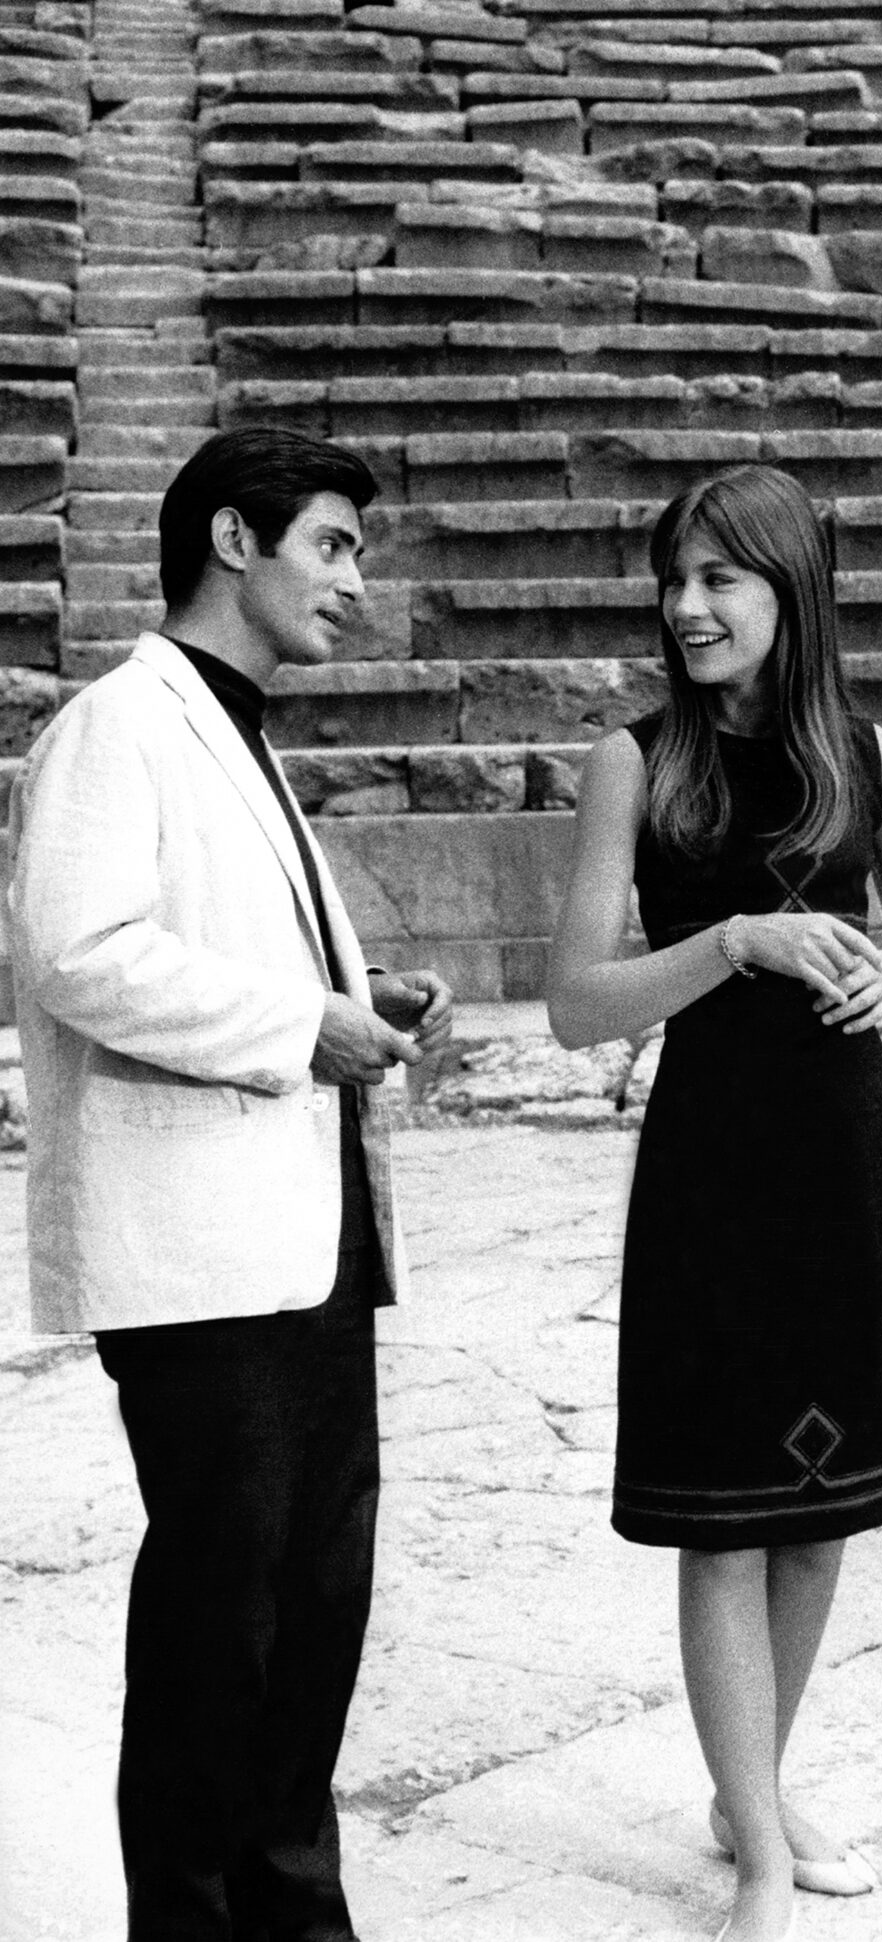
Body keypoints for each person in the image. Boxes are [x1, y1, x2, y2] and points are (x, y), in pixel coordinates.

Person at [6, 426, 453, 1940]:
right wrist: (296, 1023)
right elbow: (76, 950)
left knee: (315, 1618)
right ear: (235, 543)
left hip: (305, 1251)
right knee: (222, 1624)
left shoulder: (236, 727)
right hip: (203, 1268)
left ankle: (297, 1918)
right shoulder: (116, 724)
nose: (355, 583)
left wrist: (356, 991)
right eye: (334, 543)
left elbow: (195, 942)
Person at [546, 464, 882, 1942]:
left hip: (842, 1163)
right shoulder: (634, 759)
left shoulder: (872, 754)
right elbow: (577, 1008)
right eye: (675, 578)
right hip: (712, 1169)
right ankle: (763, 1864)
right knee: (720, 1517)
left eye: (721, 577)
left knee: (819, 1508)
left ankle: (754, 1791)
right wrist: (733, 941)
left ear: (791, 587)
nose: (688, 606)